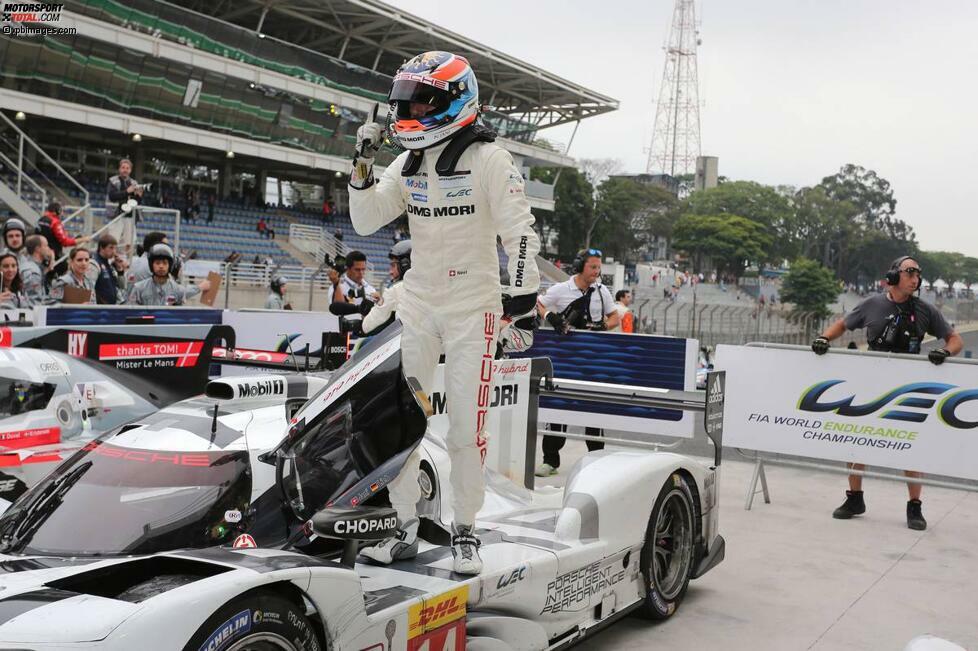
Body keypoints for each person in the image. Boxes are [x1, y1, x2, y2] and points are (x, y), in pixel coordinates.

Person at [349, 51, 541, 575]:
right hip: (416, 301)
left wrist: (520, 307)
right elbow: (365, 220)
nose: (407, 113)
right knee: (400, 421)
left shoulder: (489, 160)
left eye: (420, 101)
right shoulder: (405, 161)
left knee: (464, 428)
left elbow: (520, 234)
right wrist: (362, 161)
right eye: (402, 103)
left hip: (472, 307)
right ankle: (403, 525)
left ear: (455, 101)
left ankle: (465, 532)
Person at [812, 255, 964, 530]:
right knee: (858, 442)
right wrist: (824, 338)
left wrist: (945, 351)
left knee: (909, 446)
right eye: (910, 272)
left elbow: (955, 339)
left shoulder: (926, 310)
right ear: (893, 276)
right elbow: (844, 325)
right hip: (871, 383)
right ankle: (855, 498)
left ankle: (914, 507)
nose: (915, 278)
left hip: (909, 388)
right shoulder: (872, 304)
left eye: (918, 274)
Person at [534, 249, 619, 477]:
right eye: (593, 267)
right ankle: (550, 461)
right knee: (559, 409)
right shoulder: (561, 289)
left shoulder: (602, 292)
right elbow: (537, 303)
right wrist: (549, 317)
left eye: (598, 267)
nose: (597, 271)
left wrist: (603, 326)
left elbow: (615, 317)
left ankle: (597, 459)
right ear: (580, 266)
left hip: (594, 360)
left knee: (593, 408)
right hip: (565, 360)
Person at [126, 243, 210, 306]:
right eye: (157, 263)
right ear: (151, 265)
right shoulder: (139, 288)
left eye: (165, 263)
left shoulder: (177, 290)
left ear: (170, 266)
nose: (161, 266)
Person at [35, 202, 89, 272]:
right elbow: (65, 242)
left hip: (40, 253)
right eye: (61, 211)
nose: (62, 213)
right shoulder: (55, 222)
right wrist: (83, 239)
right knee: (65, 268)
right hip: (53, 255)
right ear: (58, 211)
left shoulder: (41, 220)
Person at [105, 158, 142, 254]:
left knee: (130, 244)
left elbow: (136, 202)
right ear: (119, 169)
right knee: (112, 241)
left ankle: (128, 264)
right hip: (116, 215)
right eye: (123, 167)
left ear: (130, 170)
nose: (125, 170)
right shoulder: (113, 181)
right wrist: (127, 192)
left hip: (129, 216)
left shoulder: (134, 183)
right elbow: (112, 196)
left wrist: (139, 196)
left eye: (127, 168)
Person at [93, 234, 128, 305]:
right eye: (111, 248)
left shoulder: (110, 265)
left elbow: (122, 286)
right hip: (100, 309)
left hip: (111, 307)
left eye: (115, 248)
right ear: (101, 248)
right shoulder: (95, 263)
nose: (114, 251)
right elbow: (90, 288)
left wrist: (120, 270)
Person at [19, 234, 53, 305]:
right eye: (46, 246)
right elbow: (34, 301)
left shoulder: (36, 267)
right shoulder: (32, 271)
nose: (49, 249)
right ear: (38, 249)